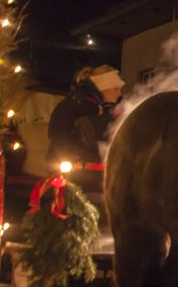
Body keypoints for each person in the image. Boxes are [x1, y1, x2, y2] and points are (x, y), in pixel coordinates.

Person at [47, 64, 124, 196]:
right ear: (103, 87)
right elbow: (58, 135)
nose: (120, 93)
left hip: (94, 173)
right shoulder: (72, 104)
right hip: (73, 174)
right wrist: (83, 155)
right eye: (116, 89)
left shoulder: (105, 109)